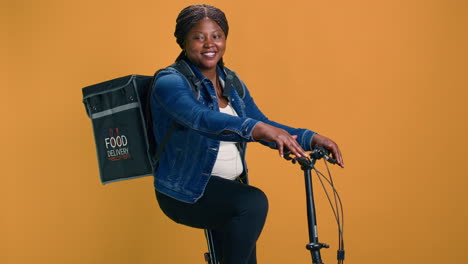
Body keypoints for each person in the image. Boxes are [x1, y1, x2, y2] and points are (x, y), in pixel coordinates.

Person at [150, 4, 344, 264]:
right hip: (185, 191)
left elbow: (262, 122)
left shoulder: (229, 80)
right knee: (253, 203)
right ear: (183, 41)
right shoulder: (170, 82)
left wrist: (310, 138)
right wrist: (253, 129)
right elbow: (200, 118)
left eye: (217, 36)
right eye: (199, 37)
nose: (210, 44)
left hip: (228, 190)